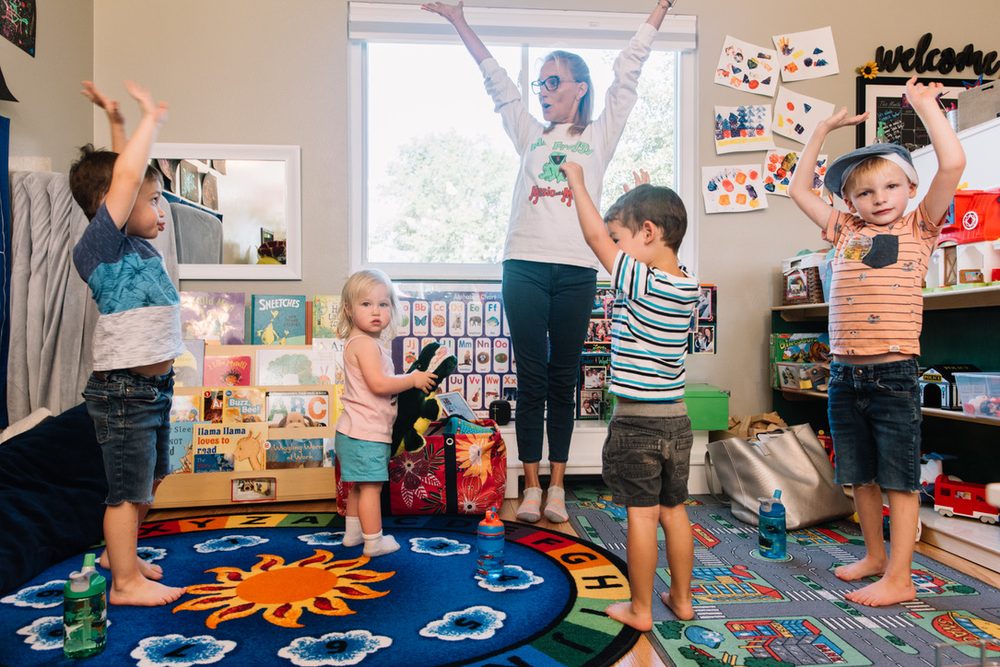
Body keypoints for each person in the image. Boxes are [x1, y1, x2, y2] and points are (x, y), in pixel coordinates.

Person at [422, 0, 676, 524]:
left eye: (553, 82)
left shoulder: (599, 136)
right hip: (524, 267)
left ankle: (558, 486)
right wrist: (459, 21)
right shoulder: (528, 133)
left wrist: (658, 12)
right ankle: (531, 483)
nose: (542, 91)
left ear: (579, 86)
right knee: (531, 379)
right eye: (540, 83)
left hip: (577, 270)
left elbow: (627, 77)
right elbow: (496, 81)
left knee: (564, 379)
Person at [788, 76, 965, 607]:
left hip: (893, 377)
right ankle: (874, 556)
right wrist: (819, 130)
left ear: (911, 190)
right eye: (865, 192)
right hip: (844, 374)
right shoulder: (843, 231)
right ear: (848, 200)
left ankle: (901, 577)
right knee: (859, 476)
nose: (879, 198)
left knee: (899, 479)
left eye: (891, 187)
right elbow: (799, 190)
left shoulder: (920, 228)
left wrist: (926, 106)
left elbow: (952, 164)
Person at [561, 160, 699, 629]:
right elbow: (646, 240)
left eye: (623, 240)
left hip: (638, 422)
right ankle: (682, 599)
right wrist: (643, 200)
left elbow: (595, 237)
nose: (615, 249)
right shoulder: (687, 284)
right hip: (678, 422)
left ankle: (640, 609)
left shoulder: (639, 280)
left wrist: (579, 185)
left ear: (646, 232)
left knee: (642, 517)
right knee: (674, 511)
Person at [70, 81, 183, 606]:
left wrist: (114, 121)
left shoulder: (136, 244)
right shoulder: (100, 248)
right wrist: (147, 120)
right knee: (127, 492)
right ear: (108, 204)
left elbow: (121, 173)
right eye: (155, 198)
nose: (162, 210)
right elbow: (125, 178)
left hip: (155, 389)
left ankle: (125, 555)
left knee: (150, 481)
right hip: (122, 393)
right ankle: (123, 583)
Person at [335, 269, 437, 557]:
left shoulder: (361, 342)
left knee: (358, 485)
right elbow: (379, 385)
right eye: (366, 304)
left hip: (353, 431)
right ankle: (373, 541)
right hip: (365, 433)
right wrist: (414, 379)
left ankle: (353, 534)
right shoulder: (366, 345)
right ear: (348, 309)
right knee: (370, 489)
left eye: (383, 304)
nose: (376, 311)